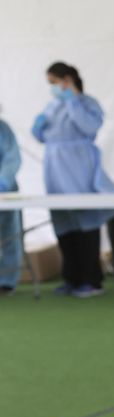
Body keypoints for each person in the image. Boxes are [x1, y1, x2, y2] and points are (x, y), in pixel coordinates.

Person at [31, 62, 114, 298]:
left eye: (54, 82)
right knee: (63, 223)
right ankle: (72, 277)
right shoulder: (53, 105)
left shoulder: (87, 103)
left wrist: (72, 101)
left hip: (79, 167)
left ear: (67, 80)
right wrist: (38, 126)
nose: (52, 89)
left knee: (85, 221)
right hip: (55, 168)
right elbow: (42, 134)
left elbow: (89, 127)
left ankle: (92, 279)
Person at [0, 115, 19, 295]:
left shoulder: (3, 129)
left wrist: (3, 182)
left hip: (4, 192)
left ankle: (7, 282)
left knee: (9, 236)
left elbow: (11, 159)